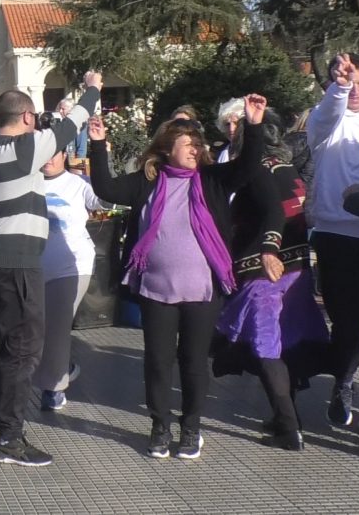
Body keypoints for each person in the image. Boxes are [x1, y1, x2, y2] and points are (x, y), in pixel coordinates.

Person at [88, 93, 267, 460]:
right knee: (157, 359)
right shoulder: (147, 182)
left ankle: (191, 427)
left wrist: (254, 124)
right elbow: (105, 188)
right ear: (168, 148)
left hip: (202, 290)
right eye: (187, 143)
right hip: (156, 289)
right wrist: (97, 144)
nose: (194, 149)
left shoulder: (213, 180)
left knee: (193, 359)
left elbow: (248, 167)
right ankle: (159, 425)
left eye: (197, 144)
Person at [0, 72, 101, 468]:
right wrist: (92, 86)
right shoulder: (26, 149)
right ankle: (10, 439)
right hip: (20, 266)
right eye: (34, 118)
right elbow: (72, 123)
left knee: (2, 349)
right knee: (22, 355)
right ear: (26, 118)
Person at [212, 110, 330, 451]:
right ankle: (284, 417)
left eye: (239, 126)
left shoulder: (257, 168)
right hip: (295, 267)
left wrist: (267, 248)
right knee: (285, 341)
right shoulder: (285, 167)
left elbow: (273, 211)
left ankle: (290, 428)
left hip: (264, 268)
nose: (232, 131)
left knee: (266, 345)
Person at [308, 53, 359, 429]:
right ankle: (343, 382)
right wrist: (341, 84)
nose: (357, 91)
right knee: (348, 321)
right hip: (337, 234)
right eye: (352, 84)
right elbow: (331, 108)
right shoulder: (324, 121)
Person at [33, 114, 107, 411]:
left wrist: (103, 152)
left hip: (72, 266)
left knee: (58, 325)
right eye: (44, 154)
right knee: (38, 328)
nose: (48, 160)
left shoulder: (78, 184)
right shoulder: (30, 183)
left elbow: (106, 198)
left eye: (54, 154)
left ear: (65, 154)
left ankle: (53, 388)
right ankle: (62, 367)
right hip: (35, 268)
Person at [215, 97, 245, 163]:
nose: (231, 128)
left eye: (236, 123)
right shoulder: (217, 152)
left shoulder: (261, 151)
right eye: (228, 124)